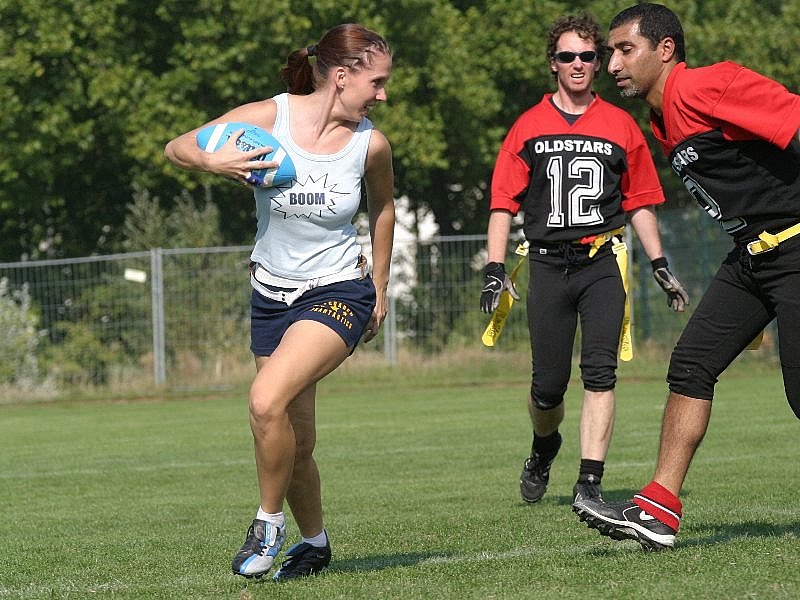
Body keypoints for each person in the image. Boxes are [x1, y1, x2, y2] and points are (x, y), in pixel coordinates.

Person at [164, 24, 395, 579]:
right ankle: (314, 543)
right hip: (270, 294)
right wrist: (215, 162)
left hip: (339, 291)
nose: (384, 95)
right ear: (342, 77)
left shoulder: (371, 144)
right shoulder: (271, 118)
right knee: (295, 440)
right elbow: (177, 147)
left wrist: (380, 287)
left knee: (265, 401)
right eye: (377, 82)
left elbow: (384, 209)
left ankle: (266, 527)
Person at [573, 2, 800, 550]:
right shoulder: (661, 118)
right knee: (692, 364)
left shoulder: (705, 85)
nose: (612, 64)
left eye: (625, 50)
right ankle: (658, 509)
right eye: (610, 52)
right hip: (753, 258)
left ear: (665, 49)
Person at [481, 13, 687, 511]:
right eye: (567, 56)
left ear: (599, 62)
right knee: (547, 389)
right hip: (548, 265)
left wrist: (659, 262)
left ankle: (589, 482)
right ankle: (544, 445)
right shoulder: (528, 126)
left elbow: (640, 201)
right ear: (553, 63)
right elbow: (502, 203)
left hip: (601, 263)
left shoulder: (621, 125)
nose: (578, 64)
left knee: (600, 373)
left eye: (588, 55)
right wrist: (494, 267)